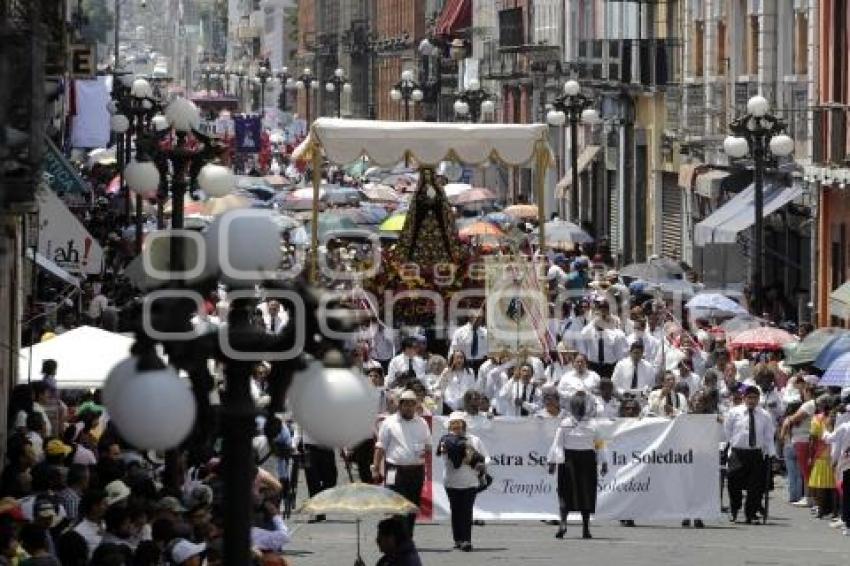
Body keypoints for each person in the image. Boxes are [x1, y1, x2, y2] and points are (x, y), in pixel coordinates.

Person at [547, 396, 608, 539]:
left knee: (585, 494)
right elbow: (558, 444)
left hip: (586, 461)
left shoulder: (592, 425)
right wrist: (553, 461)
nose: (579, 408)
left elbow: (599, 444)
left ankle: (584, 528)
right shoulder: (566, 423)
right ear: (573, 408)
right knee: (565, 492)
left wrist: (604, 461)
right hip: (569, 461)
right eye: (577, 406)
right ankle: (565, 524)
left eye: (581, 406)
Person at [373, 390, 431, 536]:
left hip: (416, 469)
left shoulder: (422, 423)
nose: (409, 408)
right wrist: (375, 468)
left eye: (412, 404)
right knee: (398, 505)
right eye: (406, 404)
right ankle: (399, 536)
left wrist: (426, 450)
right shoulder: (389, 422)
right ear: (400, 405)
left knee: (412, 505)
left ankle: (408, 535)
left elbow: (428, 445)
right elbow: (380, 447)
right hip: (395, 470)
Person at [436, 412, 489, 552]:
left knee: (466, 510)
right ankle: (458, 539)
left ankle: (466, 540)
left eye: (459, 424)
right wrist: (468, 457)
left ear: (464, 425)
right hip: (451, 482)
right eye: (453, 425)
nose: (456, 427)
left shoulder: (474, 440)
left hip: (470, 482)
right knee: (455, 510)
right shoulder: (445, 441)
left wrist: (482, 465)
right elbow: (447, 457)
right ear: (449, 426)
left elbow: (486, 457)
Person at [724, 385, 776, 523]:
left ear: (758, 399)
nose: (752, 400)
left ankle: (751, 513)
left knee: (755, 487)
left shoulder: (765, 415)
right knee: (733, 481)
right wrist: (732, 445)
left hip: (756, 454)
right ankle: (734, 507)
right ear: (744, 398)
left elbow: (768, 436)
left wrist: (771, 454)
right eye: (749, 398)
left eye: (755, 398)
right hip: (738, 452)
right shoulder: (734, 412)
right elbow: (727, 431)